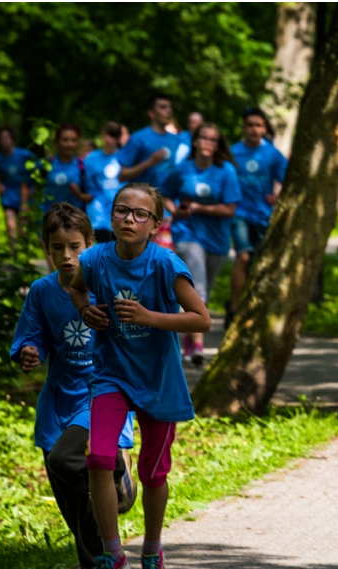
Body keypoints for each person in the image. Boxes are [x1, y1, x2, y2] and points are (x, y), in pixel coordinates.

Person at [69, 182, 212, 569]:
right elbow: (76, 286)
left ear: (155, 224)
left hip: (158, 379)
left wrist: (150, 316)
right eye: (121, 211)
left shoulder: (165, 264)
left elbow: (201, 319)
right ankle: (112, 557)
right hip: (111, 373)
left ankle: (152, 553)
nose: (128, 219)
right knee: (97, 456)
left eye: (139, 214)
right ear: (110, 216)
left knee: (152, 473)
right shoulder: (95, 259)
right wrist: (85, 309)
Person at [10, 204, 137, 569]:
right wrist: (29, 351)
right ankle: (94, 560)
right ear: (47, 249)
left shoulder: (106, 285)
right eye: (57, 247)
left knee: (67, 460)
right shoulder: (42, 291)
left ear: (91, 244)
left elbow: (132, 339)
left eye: (75, 247)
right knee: (61, 477)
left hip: (101, 393)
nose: (67, 256)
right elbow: (31, 336)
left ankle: (116, 479)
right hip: (58, 400)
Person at [163, 122, 240, 365]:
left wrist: (198, 207)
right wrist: (175, 211)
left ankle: (188, 337)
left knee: (204, 284)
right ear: (195, 141)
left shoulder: (226, 171)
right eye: (204, 138)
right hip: (187, 234)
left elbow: (230, 209)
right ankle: (197, 344)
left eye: (213, 140)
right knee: (199, 287)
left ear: (218, 146)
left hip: (216, 239)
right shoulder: (182, 168)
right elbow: (165, 193)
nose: (208, 143)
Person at [229, 108, 287, 325]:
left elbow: (287, 179)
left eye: (258, 125)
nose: (254, 129)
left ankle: (255, 309)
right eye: (250, 125)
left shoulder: (272, 153)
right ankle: (233, 309)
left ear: (264, 128)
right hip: (240, 213)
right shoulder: (233, 152)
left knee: (264, 262)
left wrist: (278, 194)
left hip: (264, 214)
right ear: (244, 127)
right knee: (243, 257)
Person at [117, 94, 181, 249]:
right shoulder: (139, 138)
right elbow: (122, 175)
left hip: (165, 209)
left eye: (170, 108)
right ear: (151, 113)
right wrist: (150, 162)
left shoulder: (176, 140)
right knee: (138, 254)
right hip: (140, 206)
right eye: (163, 107)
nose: (168, 111)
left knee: (160, 257)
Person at [0, 126, 35, 253]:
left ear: (13, 139)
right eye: (2, 138)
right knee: (10, 224)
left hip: (24, 193)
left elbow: (37, 168)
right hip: (8, 194)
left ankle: (26, 255)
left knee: (22, 227)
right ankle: (13, 253)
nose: (5, 141)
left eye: (7, 138)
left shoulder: (25, 155)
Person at [83, 122, 125, 243]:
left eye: (112, 136)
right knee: (104, 246)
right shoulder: (92, 158)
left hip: (120, 210)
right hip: (99, 211)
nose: (108, 139)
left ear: (118, 138)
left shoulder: (125, 157)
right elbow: (86, 182)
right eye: (106, 135)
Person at [42, 124, 86, 211]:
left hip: (74, 220)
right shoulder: (46, 164)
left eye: (73, 140)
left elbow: (93, 195)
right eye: (65, 140)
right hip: (47, 219)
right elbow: (27, 185)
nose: (69, 144)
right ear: (57, 142)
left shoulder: (83, 166)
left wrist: (79, 195)